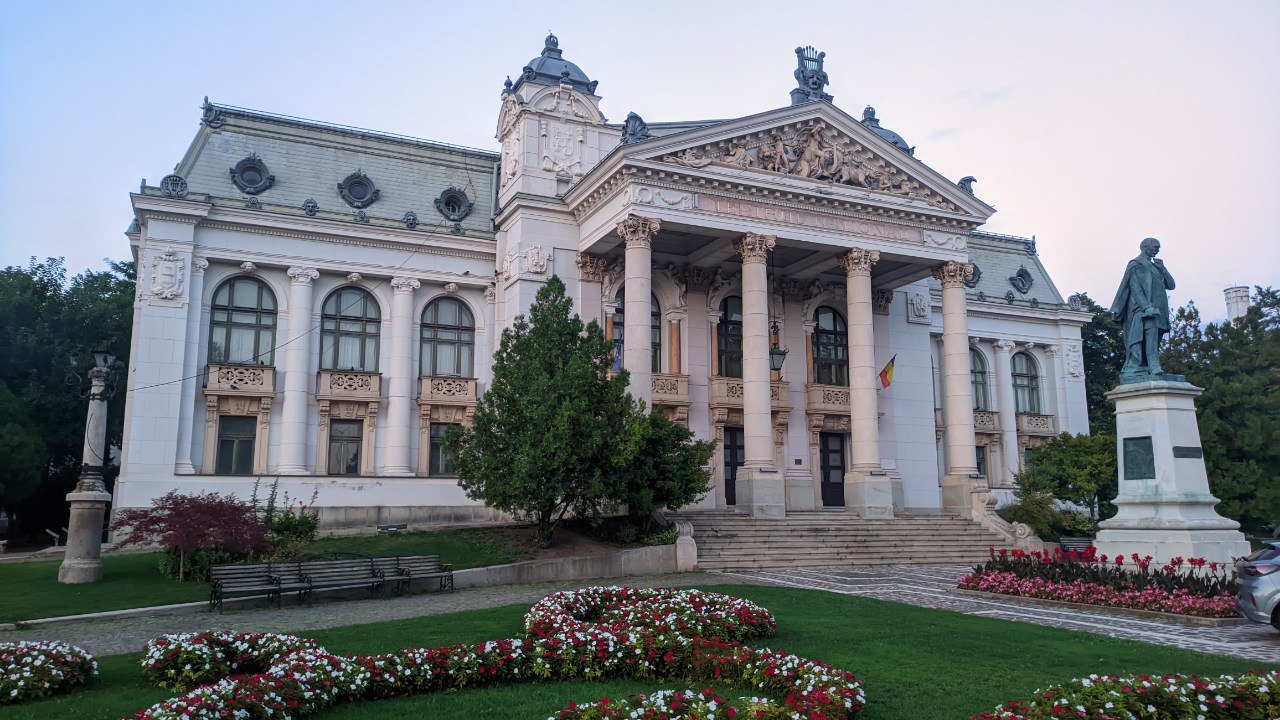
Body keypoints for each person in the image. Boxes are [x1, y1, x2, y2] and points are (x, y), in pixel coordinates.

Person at [1110, 237, 1176, 376]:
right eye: (1155, 247)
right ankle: (1153, 364)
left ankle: (1149, 364)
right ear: (1145, 247)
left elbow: (1171, 285)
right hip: (1143, 310)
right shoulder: (1136, 264)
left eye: (1159, 247)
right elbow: (1135, 288)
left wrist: (1163, 268)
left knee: (1156, 338)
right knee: (1150, 336)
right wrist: (1146, 307)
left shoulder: (1156, 266)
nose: (1158, 250)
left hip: (1160, 309)